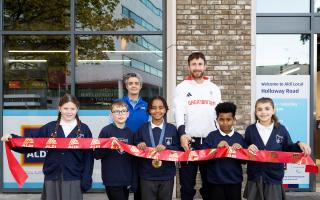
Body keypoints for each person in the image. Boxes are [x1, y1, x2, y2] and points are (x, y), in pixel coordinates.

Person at [1, 94, 94, 200]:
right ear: (59, 108)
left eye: (72, 108)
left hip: (74, 178)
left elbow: (88, 158)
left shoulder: (85, 130)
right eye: (65, 108)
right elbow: (31, 143)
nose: (69, 112)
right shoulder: (49, 128)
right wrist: (12, 139)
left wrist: (86, 179)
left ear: (77, 109)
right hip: (52, 177)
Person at [173, 51, 222, 200]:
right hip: (189, 142)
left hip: (209, 142)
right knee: (187, 187)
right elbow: (178, 113)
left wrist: (219, 137)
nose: (197, 67)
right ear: (189, 67)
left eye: (200, 64)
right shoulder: (181, 87)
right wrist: (182, 134)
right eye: (193, 64)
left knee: (210, 185)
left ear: (205, 66)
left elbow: (218, 116)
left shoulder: (214, 88)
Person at [244, 97, 311, 200]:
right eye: (259, 109)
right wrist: (247, 147)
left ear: (273, 110)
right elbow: (244, 148)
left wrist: (299, 144)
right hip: (255, 177)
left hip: (274, 177)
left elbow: (288, 148)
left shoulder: (281, 129)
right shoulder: (250, 130)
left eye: (267, 108)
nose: (263, 112)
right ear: (256, 111)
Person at [135, 96, 179, 200]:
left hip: (167, 175)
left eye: (161, 107)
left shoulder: (172, 129)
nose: (157, 111)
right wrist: (139, 144)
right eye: (154, 108)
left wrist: (167, 148)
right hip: (147, 175)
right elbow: (135, 145)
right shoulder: (143, 128)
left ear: (165, 109)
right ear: (149, 110)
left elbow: (178, 149)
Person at [202, 102, 246, 200]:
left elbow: (244, 161)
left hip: (234, 182)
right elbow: (203, 157)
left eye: (228, 119)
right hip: (215, 182)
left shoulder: (239, 138)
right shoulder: (211, 136)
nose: (225, 122)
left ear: (234, 119)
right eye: (221, 119)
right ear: (217, 120)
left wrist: (241, 151)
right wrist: (216, 148)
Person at [94, 101, 136, 200]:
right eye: (117, 111)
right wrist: (108, 145)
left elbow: (133, 158)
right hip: (111, 178)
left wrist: (133, 179)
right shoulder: (106, 131)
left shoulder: (131, 133)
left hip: (126, 178)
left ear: (128, 114)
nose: (120, 114)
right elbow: (96, 155)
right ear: (111, 114)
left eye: (123, 111)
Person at [121, 72, 149, 200]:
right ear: (126, 86)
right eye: (130, 83)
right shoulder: (118, 104)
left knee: (139, 186)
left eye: (136, 83)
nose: (133, 86)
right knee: (124, 183)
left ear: (140, 86)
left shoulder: (147, 106)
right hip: (123, 149)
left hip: (141, 149)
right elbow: (112, 125)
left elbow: (150, 128)